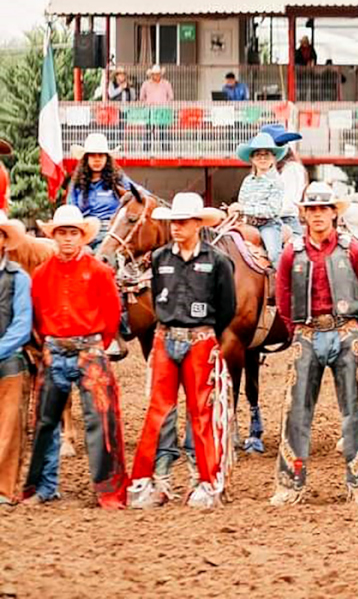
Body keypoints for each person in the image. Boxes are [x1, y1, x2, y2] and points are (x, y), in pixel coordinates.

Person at [272, 182, 358, 505]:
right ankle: (290, 484)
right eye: (312, 210)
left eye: (323, 209)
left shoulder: (352, 248)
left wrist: (353, 328)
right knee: (296, 411)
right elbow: (283, 297)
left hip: (346, 331)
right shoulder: (292, 252)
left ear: (334, 213)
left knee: (356, 409)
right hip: (307, 332)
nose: (317, 216)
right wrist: (297, 330)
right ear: (304, 215)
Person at [128, 194, 234, 510]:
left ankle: (207, 481)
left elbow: (226, 308)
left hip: (200, 341)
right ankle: (146, 480)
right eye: (174, 221)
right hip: (165, 338)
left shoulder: (217, 262)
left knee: (201, 412)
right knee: (157, 411)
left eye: (183, 221)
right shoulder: (161, 259)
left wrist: (205, 332)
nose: (176, 227)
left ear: (198, 224)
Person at [23, 206, 128, 508]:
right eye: (62, 233)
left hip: (89, 351)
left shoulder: (99, 271)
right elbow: (37, 313)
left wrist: (96, 345)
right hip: (54, 350)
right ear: (53, 236)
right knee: (45, 422)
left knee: (102, 419)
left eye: (73, 233)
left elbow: (111, 315)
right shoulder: (42, 274)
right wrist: (47, 343)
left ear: (82, 237)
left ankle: (107, 490)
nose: (67, 239)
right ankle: (44, 487)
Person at [0, 212, 32, 505]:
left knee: (9, 427)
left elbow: (22, 325)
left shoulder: (18, 278)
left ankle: (4, 489)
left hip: (8, 359)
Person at [67, 132, 137, 246]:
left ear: (106, 158)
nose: (97, 159)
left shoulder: (118, 180)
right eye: (93, 155)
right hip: (84, 234)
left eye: (101, 155)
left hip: (110, 235)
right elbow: (71, 210)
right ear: (86, 158)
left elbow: (140, 194)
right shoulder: (77, 184)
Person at [229, 132, 287, 266]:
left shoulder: (277, 181)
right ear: (252, 159)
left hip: (268, 225)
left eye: (266, 154)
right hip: (247, 223)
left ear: (273, 158)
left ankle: (279, 283)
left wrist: (244, 209)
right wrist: (236, 211)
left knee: (273, 255)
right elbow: (242, 201)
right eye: (258, 155)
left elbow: (272, 210)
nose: (262, 158)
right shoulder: (247, 181)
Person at [261, 124, 307, 238]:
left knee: (275, 253)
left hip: (286, 222)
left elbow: (287, 204)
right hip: (271, 221)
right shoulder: (272, 172)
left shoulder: (292, 169)